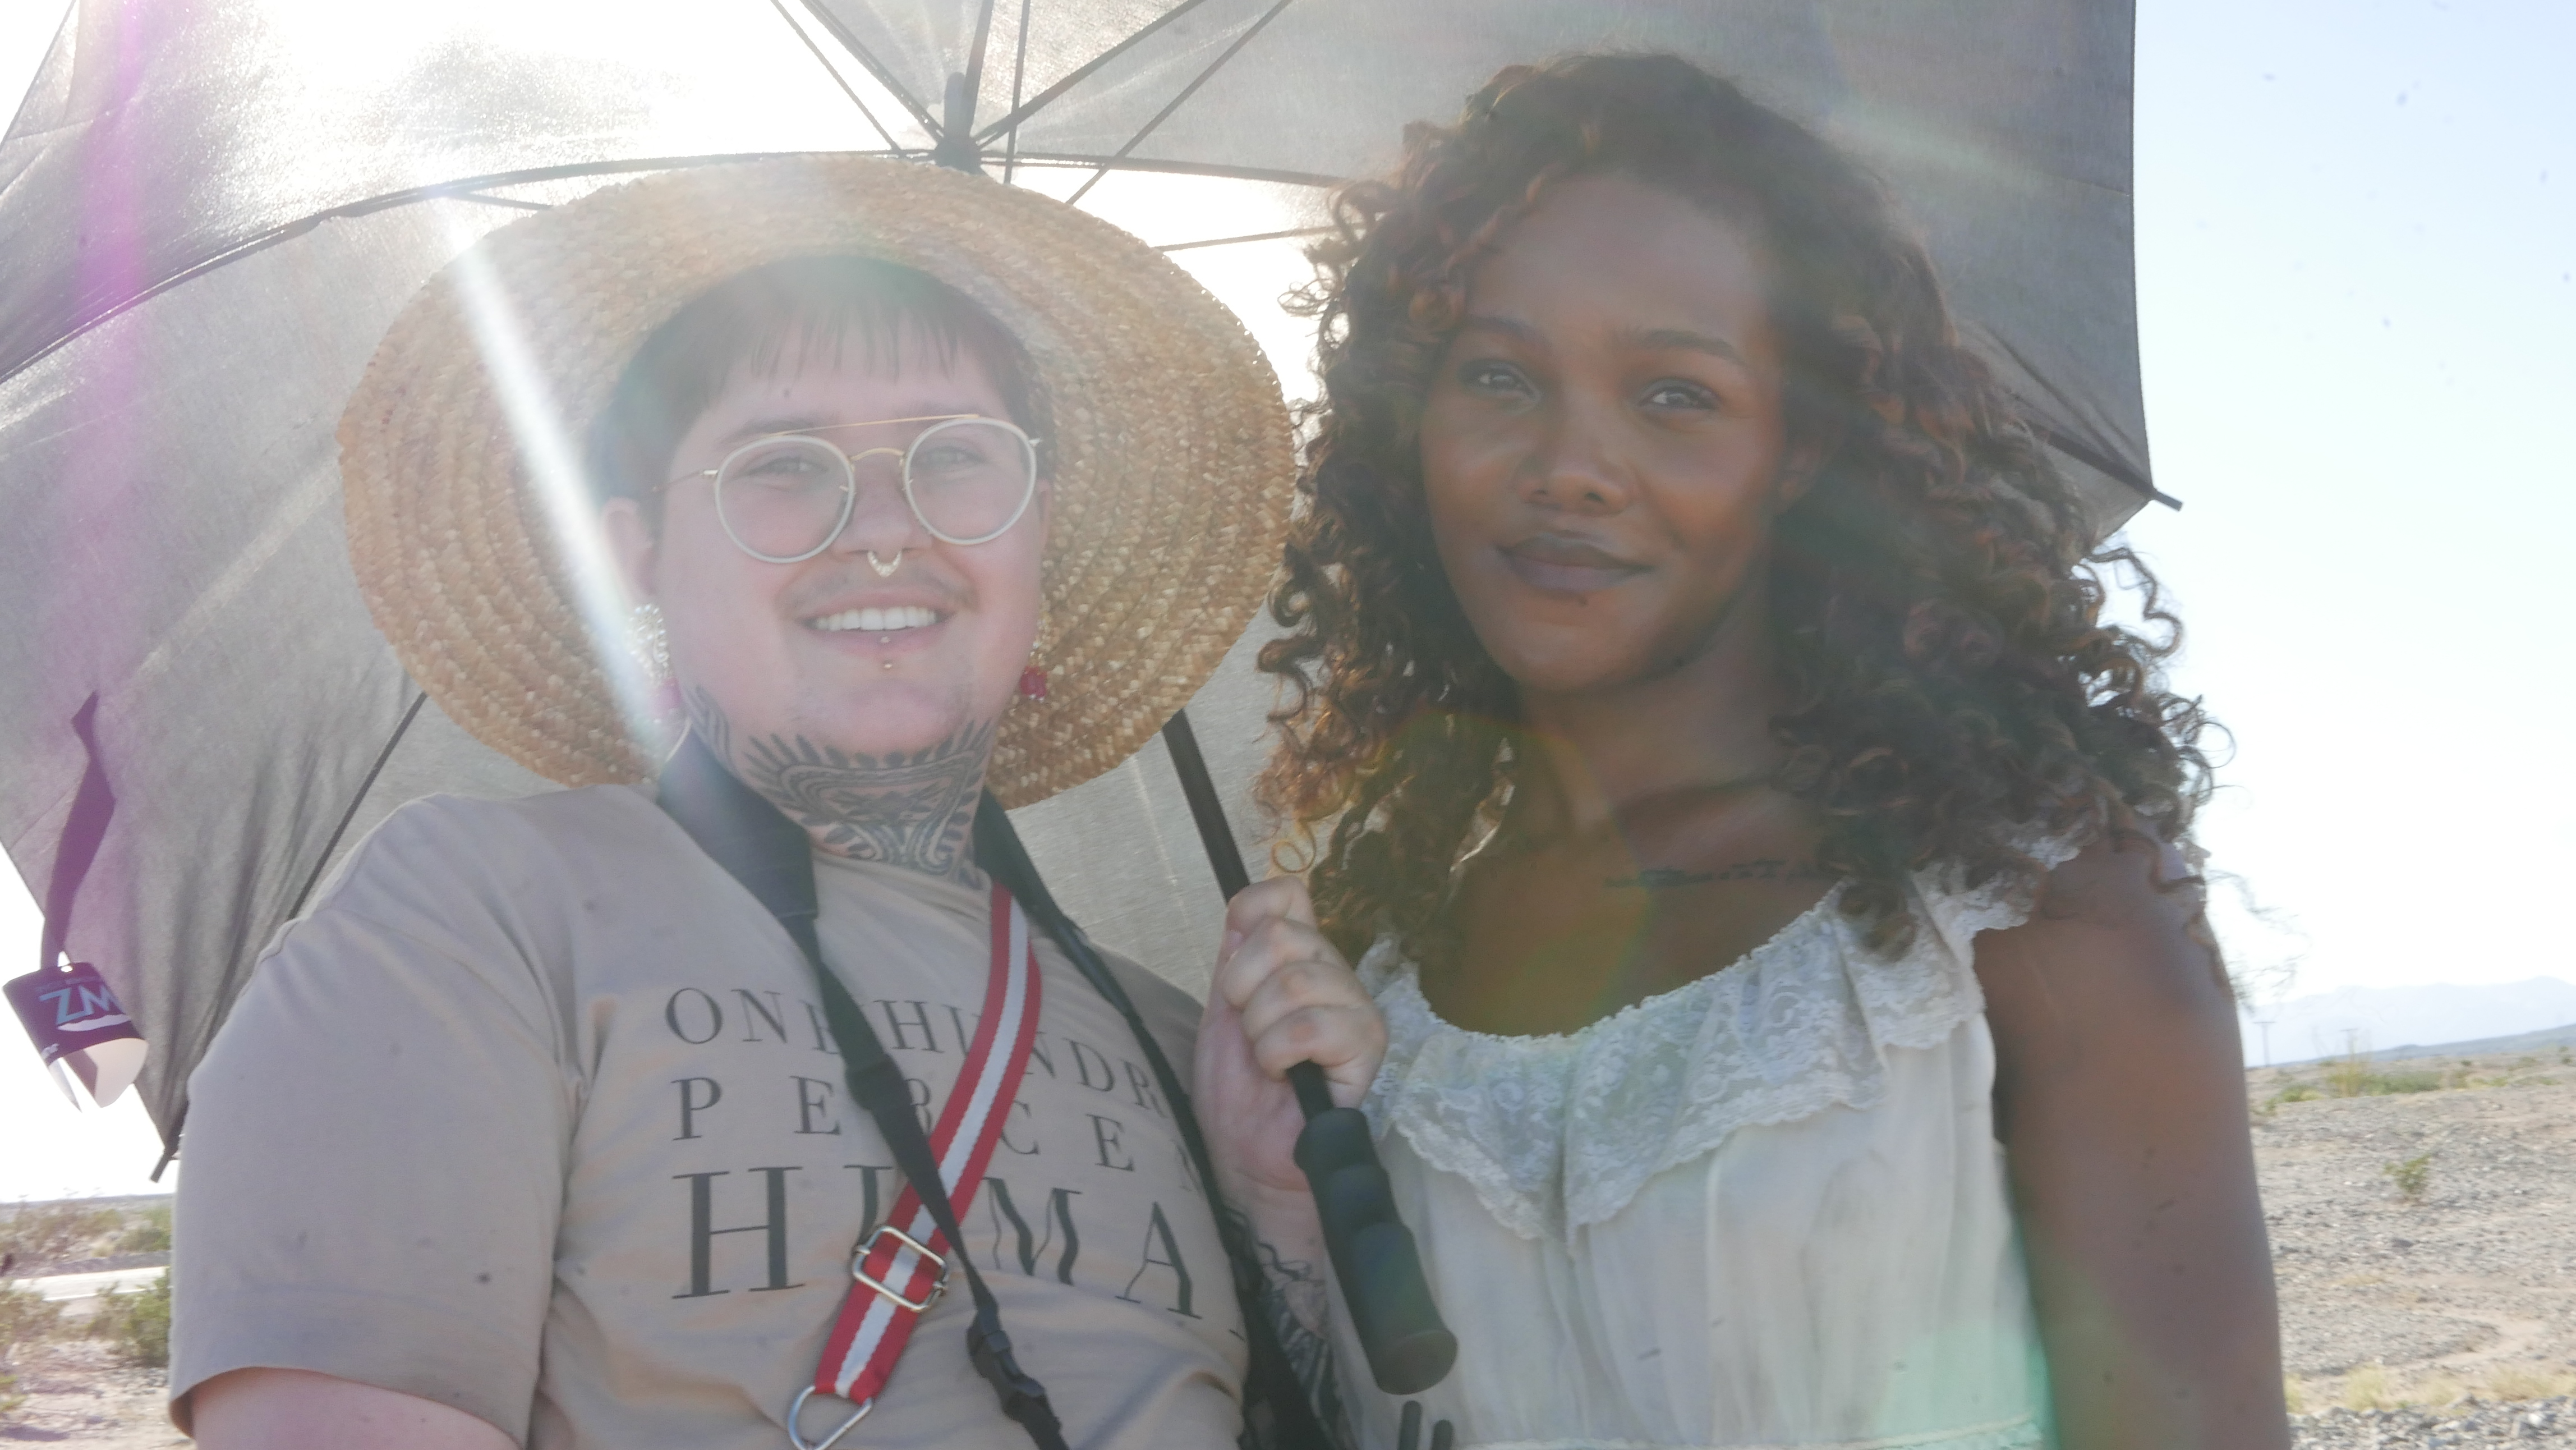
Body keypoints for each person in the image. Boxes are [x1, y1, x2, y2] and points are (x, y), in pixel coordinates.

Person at [168, 157, 1374, 1449]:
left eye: (955, 456)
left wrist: (1277, 1213)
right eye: (783, 465)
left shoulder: (1172, 1032)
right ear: (639, 558)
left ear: (1039, 536)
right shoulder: (476, 918)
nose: (883, 530)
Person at [1195, 54, 2288, 1450]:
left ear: (1799, 453)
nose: (1570, 465)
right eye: (1495, 374)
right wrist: (1280, 1211)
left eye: (1673, 395)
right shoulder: (1362, 975)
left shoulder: (2030, 911)